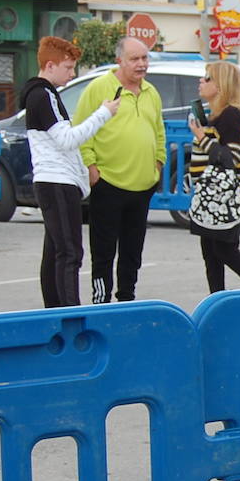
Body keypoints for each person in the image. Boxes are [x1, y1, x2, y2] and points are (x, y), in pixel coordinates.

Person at [22, 36, 121, 308]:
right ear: (50, 65)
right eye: (68, 67)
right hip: (57, 182)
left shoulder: (40, 94)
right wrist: (103, 113)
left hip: (54, 180)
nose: (72, 73)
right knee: (69, 251)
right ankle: (68, 312)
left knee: (55, 250)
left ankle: (54, 310)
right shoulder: (43, 95)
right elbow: (67, 140)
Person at [72, 37, 165, 303]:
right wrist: (90, 166)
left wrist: (158, 164)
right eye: (134, 59)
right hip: (108, 182)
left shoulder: (151, 92)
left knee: (132, 251)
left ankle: (127, 299)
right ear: (119, 61)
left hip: (143, 184)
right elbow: (82, 128)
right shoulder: (99, 88)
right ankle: (101, 303)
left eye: (145, 58)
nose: (141, 64)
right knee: (103, 251)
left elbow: (159, 131)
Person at [188, 60, 240, 293]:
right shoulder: (218, 115)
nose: (201, 81)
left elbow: (229, 158)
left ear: (222, 85)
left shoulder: (231, 115)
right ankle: (216, 300)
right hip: (215, 197)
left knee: (224, 249)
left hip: (228, 196)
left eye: (207, 78)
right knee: (211, 252)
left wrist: (201, 136)